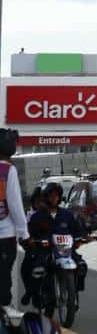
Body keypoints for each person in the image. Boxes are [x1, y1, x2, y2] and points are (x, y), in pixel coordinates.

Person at [23, 182, 88, 305]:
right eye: (51, 195)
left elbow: (77, 230)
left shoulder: (67, 214)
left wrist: (81, 238)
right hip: (46, 251)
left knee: (82, 266)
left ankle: (74, 294)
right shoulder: (38, 216)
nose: (54, 198)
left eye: (56, 195)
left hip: (66, 251)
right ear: (46, 197)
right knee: (37, 270)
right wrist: (30, 239)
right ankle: (35, 293)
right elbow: (29, 233)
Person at [0, 128, 28, 312]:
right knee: (2, 280)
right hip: (4, 236)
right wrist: (24, 233)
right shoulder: (7, 170)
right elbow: (15, 205)